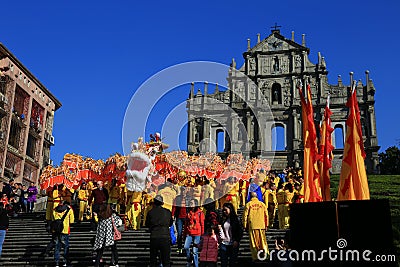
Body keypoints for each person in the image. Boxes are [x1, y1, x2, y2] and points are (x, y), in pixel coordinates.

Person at [146, 195, 173, 267]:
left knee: (153, 260)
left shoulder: (150, 212)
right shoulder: (167, 212)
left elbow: (147, 224)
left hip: (154, 236)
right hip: (165, 236)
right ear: (162, 203)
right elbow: (170, 223)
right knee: (166, 260)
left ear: (154, 202)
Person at [242, 192, 269, 262]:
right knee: (263, 241)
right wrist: (266, 225)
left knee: (254, 242)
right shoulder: (262, 204)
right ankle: (266, 255)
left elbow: (245, 216)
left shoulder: (248, 204)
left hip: (252, 225)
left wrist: (245, 226)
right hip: (261, 225)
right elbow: (266, 215)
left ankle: (256, 257)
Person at [218, 202, 243, 267]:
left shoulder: (236, 219)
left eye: (226, 210)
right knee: (224, 263)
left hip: (233, 243)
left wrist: (237, 240)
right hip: (224, 243)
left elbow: (240, 231)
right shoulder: (222, 219)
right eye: (223, 210)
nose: (224, 211)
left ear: (230, 209)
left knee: (232, 262)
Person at [183, 198, 205, 267]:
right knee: (186, 247)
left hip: (197, 233)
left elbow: (202, 224)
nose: (190, 205)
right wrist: (184, 233)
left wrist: (202, 234)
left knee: (195, 251)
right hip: (189, 233)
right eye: (190, 203)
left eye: (192, 203)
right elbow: (186, 223)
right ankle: (189, 259)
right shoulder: (188, 213)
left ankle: (196, 265)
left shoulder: (200, 213)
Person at [53, 201, 74, 267]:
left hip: (57, 231)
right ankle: (65, 262)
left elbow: (53, 218)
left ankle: (56, 262)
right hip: (65, 230)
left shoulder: (55, 210)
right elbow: (72, 221)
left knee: (57, 247)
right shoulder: (69, 210)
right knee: (65, 247)